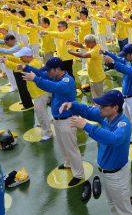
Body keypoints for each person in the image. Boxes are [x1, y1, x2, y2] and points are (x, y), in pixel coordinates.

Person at [59, 91, 132, 215]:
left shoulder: (123, 124)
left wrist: (86, 126)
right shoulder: (105, 115)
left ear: (115, 108)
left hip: (117, 174)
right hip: (106, 172)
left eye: (103, 105)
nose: (99, 108)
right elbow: (88, 111)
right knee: (111, 202)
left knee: (125, 209)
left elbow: (113, 139)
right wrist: (72, 105)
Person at [21, 57, 89, 195]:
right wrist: (26, 68)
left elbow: (51, 86)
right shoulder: (55, 76)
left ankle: (78, 174)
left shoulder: (66, 81)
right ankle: (68, 163)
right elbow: (41, 74)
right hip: (58, 119)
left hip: (67, 120)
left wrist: (35, 79)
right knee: (63, 145)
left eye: (49, 70)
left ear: (57, 69)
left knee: (71, 148)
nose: (48, 73)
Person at [103, 44, 132, 160]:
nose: (125, 57)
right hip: (126, 98)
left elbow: (128, 70)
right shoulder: (129, 61)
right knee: (129, 120)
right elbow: (118, 58)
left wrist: (113, 64)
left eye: (126, 55)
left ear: (131, 55)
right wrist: (106, 53)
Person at [6, 47, 53, 141]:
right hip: (40, 92)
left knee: (41, 113)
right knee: (43, 111)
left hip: (39, 93)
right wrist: (8, 59)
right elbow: (19, 65)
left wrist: (6, 62)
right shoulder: (33, 61)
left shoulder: (33, 64)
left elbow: (18, 68)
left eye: (21, 57)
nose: (20, 59)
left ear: (27, 56)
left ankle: (47, 133)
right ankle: (47, 124)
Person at [67, 34, 106, 98]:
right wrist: (71, 43)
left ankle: (99, 107)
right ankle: (97, 105)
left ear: (91, 42)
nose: (86, 45)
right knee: (95, 94)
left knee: (98, 96)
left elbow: (83, 55)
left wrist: (71, 52)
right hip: (94, 76)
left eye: (86, 43)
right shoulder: (92, 46)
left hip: (97, 77)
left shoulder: (95, 50)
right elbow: (81, 45)